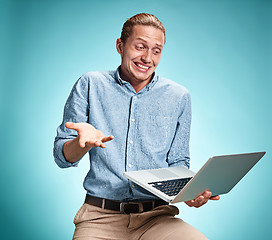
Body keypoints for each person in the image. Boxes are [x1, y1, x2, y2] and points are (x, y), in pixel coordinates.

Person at [53, 13, 220, 240]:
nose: (147, 58)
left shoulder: (179, 96)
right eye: (140, 47)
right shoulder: (90, 84)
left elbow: (179, 162)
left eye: (156, 50)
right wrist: (81, 144)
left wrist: (189, 193)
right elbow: (62, 157)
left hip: (157, 217)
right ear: (120, 46)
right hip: (99, 218)